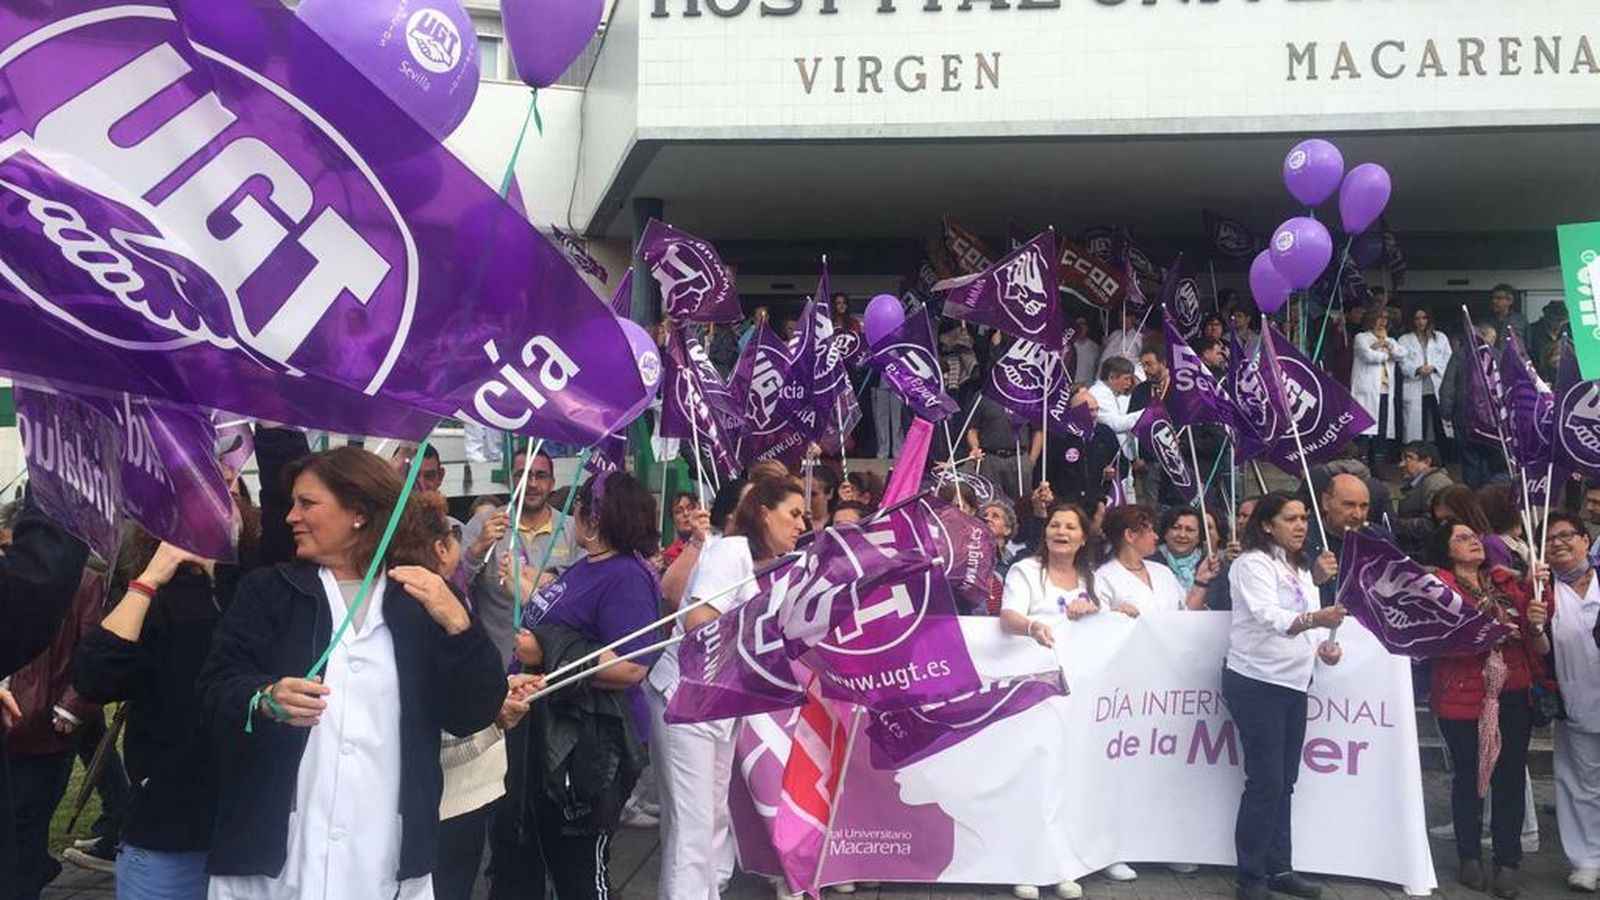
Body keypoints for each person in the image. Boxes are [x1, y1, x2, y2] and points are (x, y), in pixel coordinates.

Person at [197, 446, 506, 899]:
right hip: (276, 855)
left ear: (358, 512)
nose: (291, 517)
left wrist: (459, 625)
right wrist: (264, 698)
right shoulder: (271, 593)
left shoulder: (419, 599)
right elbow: (214, 690)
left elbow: (472, 710)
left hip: (383, 853)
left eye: (308, 503)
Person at [68, 490, 261, 898]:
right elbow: (92, 679)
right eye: (199, 492)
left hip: (249, 827)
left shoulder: (259, 589)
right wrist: (150, 579)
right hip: (169, 827)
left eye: (228, 490)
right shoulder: (154, 599)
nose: (215, 501)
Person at [500, 471, 660, 899]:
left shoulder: (626, 576)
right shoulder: (589, 566)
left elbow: (630, 666)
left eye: (577, 507)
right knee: (545, 855)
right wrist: (527, 582)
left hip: (590, 745)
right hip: (552, 733)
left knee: (579, 869)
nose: (571, 515)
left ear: (595, 517)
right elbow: (567, 616)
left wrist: (544, 652)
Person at [647, 476, 808, 900]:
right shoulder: (730, 552)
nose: (800, 525)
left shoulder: (749, 561)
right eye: (793, 514)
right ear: (763, 513)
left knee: (711, 821)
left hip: (714, 707)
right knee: (694, 828)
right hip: (686, 700)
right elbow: (699, 622)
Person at [1225, 493, 1346, 900]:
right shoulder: (1251, 564)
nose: (1301, 525)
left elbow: (1305, 625)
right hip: (1257, 681)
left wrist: (1322, 645)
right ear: (1266, 524)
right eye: (1290, 518)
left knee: (1286, 781)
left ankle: (1280, 868)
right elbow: (1269, 616)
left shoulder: (1298, 569)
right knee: (1266, 780)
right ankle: (1250, 876)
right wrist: (1315, 617)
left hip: (1295, 682)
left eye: (1304, 518)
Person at [1429, 519, 1547, 898]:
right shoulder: (1438, 588)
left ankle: (1507, 860)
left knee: (1510, 775)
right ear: (1447, 550)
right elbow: (1439, 639)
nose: (1473, 543)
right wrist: (1490, 633)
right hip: (1462, 693)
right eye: (1461, 539)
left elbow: (1532, 629)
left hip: (1511, 690)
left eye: (1474, 536)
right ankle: (1469, 855)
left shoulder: (1504, 582)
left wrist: (1534, 613)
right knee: (1469, 776)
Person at [997, 502, 1095, 900]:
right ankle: (1024, 865)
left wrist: (1101, 608)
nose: (1062, 531)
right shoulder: (1025, 571)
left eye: (1071, 526)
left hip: (1077, 694)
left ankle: (1059, 864)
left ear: (1083, 537)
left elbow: (1103, 616)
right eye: (1055, 524)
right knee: (1031, 777)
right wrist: (1033, 625)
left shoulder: (1090, 577)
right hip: (1031, 692)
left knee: (1064, 779)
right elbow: (1007, 616)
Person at [2, 564, 106, 900]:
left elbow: (92, 646)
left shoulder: (82, 580)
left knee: (27, 821)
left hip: (41, 722)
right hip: (19, 715)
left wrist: (72, 705)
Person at [461, 447, 579, 667]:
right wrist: (477, 549)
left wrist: (549, 578)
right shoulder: (483, 524)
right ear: (510, 481)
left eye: (541, 475)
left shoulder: (573, 529)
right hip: (496, 668)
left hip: (553, 669)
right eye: (523, 475)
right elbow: (457, 585)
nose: (532, 483)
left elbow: (584, 591)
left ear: (552, 483)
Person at [1094, 505, 1208, 620]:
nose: (1156, 536)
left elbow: (1187, 615)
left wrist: (1201, 580)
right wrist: (1114, 615)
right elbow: (1100, 626)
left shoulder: (1163, 572)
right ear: (1129, 535)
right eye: (1150, 530)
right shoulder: (1103, 578)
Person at [1300, 474, 1370, 609]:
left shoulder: (1378, 539)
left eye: (1364, 506)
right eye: (1349, 505)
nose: (1358, 515)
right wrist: (1313, 580)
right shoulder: (1301, 538)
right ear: (1326, 502)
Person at [1352, 307, 1406, 469]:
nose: (1382, 321)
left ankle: (1378, 466)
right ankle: (1362, 465)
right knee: (1364, 428)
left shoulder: (1390, 340)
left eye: (1385, 318)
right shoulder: (1362, 337)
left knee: (1382, 430)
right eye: (1379, 317)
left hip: (1384, 390)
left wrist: (1385, 346)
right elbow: (1368, 356)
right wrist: (1387, 353)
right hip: (1366, 391)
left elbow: (1402, 354)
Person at [1396, 308, 1452, 448]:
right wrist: (1417, 369)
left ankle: (1442, 456)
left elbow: (1448, 359)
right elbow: (1402, 361)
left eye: (1424, 318)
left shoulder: (1440, 337)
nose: (1421, 322)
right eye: (1417, 318)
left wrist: (1434, 367)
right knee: (1417, 425)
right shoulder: (1405, 339)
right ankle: (1416, 455)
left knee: (1438, 424)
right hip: (1415, 385)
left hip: (1436, 386)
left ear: (1429, 319)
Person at [1393, 442, 1454, 556]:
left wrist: (1398, 525)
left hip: (1428, 553)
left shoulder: (1435, 484)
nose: (1401, 464)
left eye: (1408, 458)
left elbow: (1432, 525)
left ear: (1426, 462)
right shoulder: (1424, 482)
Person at [1156, 507, 1222, 593]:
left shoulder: (1214, 566)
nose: (1182, 535)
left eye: (1189, 530)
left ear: (1199, 537)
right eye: (1176, 528)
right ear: (1165, 533)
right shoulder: (1149, 563)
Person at [661, 491, 701, 570]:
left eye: (690, 508)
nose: (686, 514)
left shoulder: (713, 541)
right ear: (673, 520)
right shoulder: (671, 555)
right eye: (679, 511)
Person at [1488, 283, 1530, 349]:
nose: (1494, 301)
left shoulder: (1520, 321)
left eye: (1498, 298)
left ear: (1510, 300)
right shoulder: (1488, 322)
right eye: (1493, 298)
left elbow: (1528, 345)